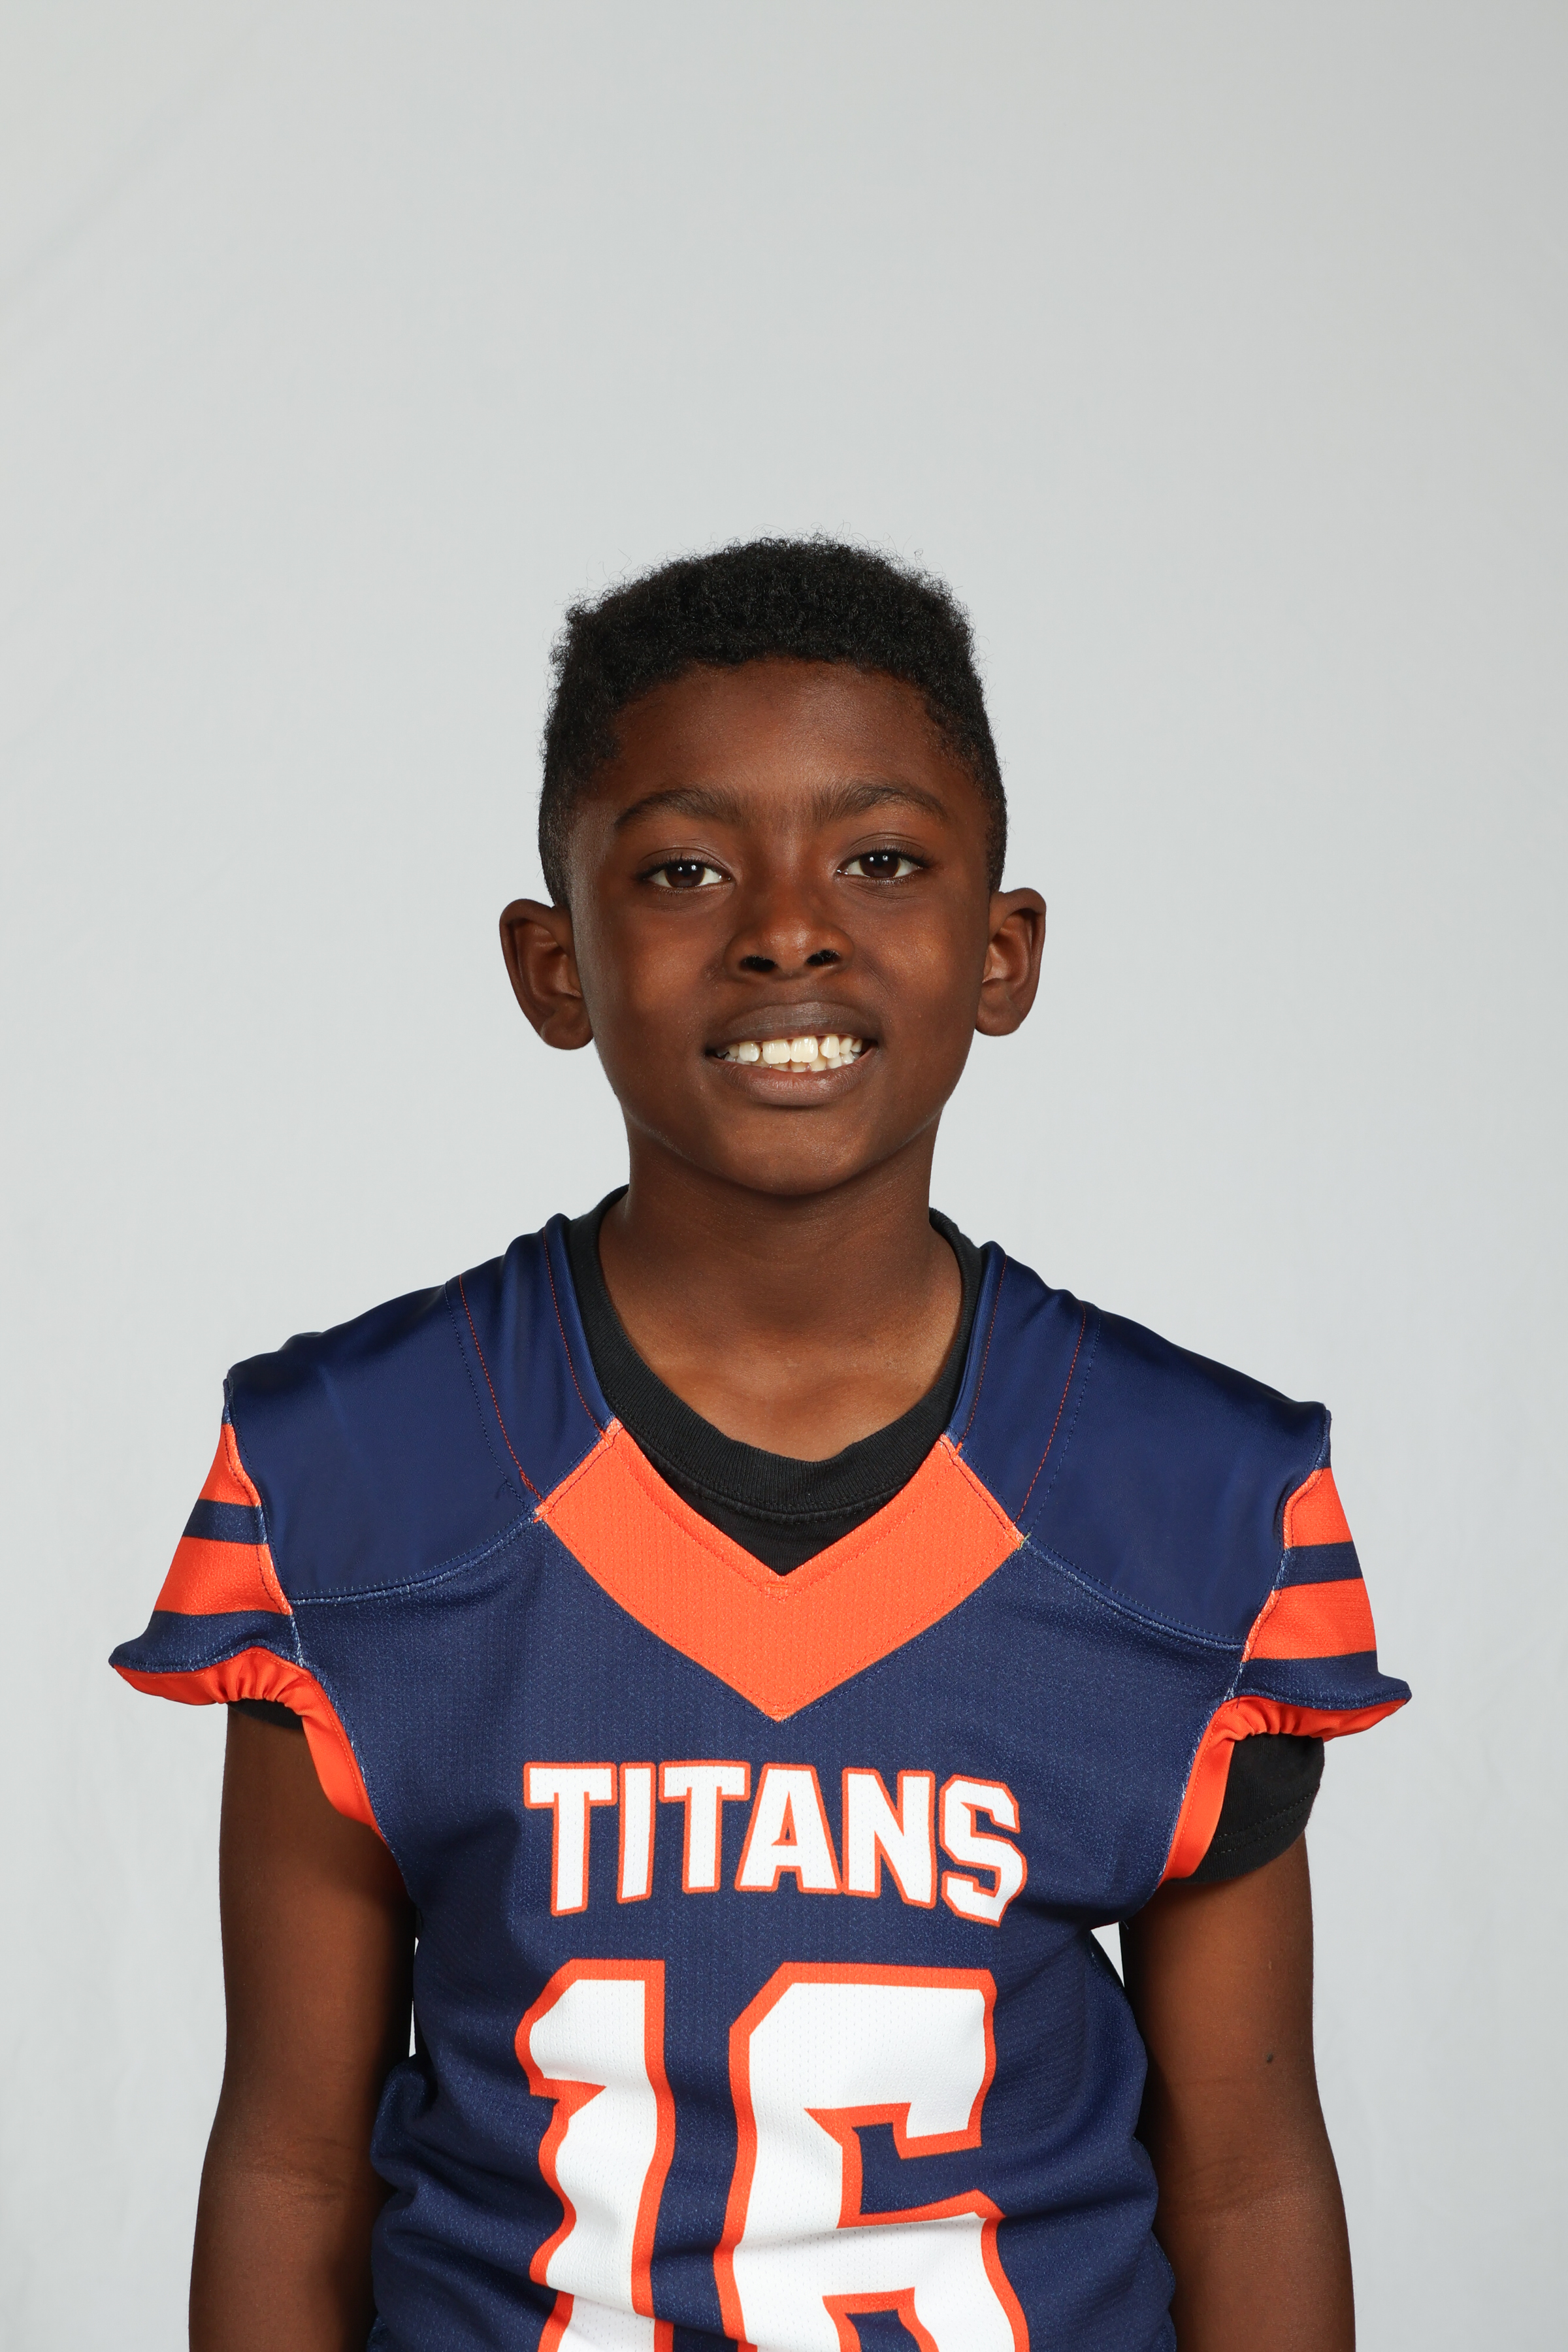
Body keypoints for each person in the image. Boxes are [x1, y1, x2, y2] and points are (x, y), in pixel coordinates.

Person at [112, 539, 1409, 2351]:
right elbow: (289, 2161)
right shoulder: (353, 1469)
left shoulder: (1197, 1495)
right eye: (685, 868)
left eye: (879, 860)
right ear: (554, 967)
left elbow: (1251, 2173)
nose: (787, 927)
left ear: (1003, 952)